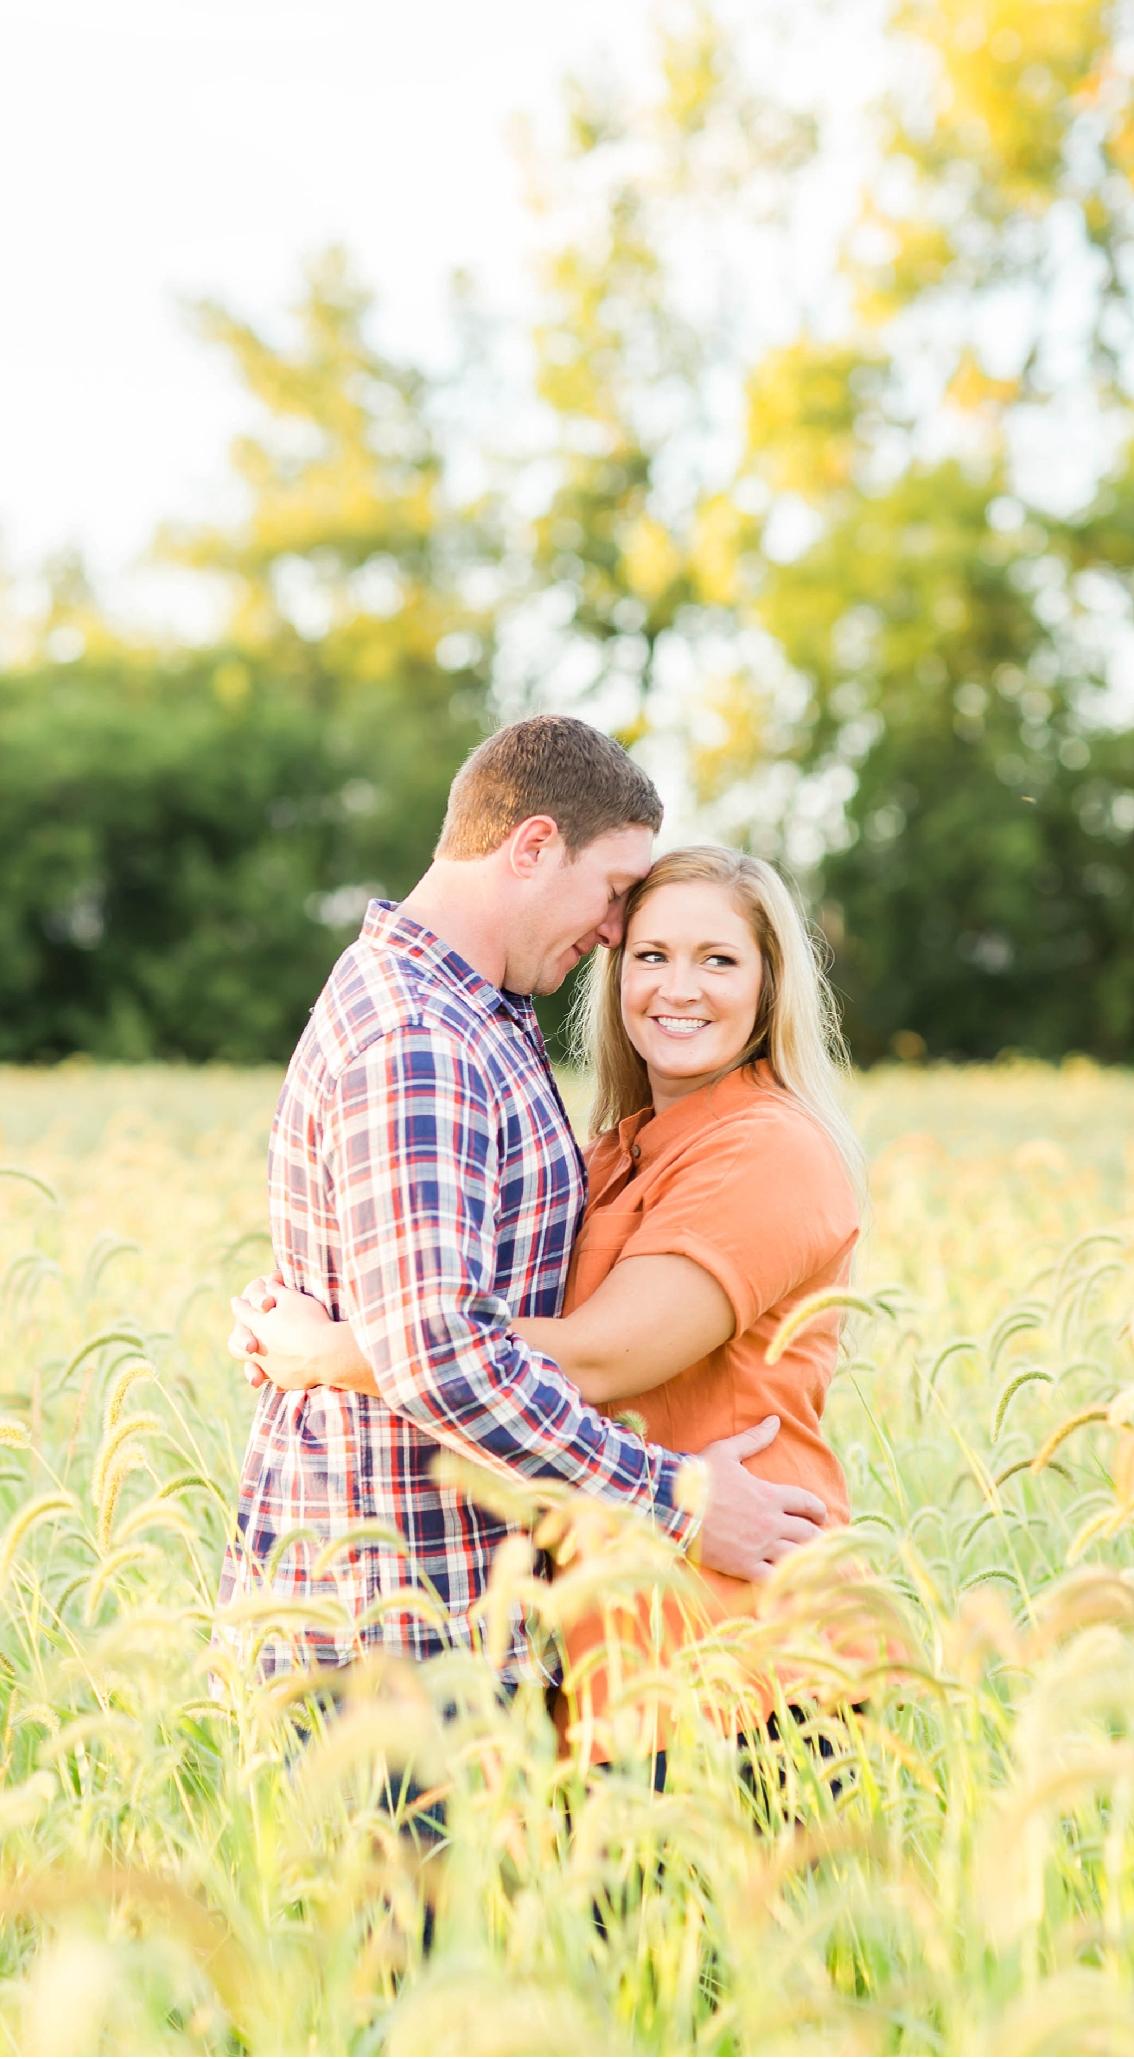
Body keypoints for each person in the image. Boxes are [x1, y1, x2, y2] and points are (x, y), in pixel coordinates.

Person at [216, 720, 831, 1704]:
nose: (615, 930)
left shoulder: (477, 1018)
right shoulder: (421, 1039)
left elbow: (443, 1337)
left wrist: (336, 1351)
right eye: (619, 893)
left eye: (716, 959)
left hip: (473, 1611)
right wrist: (674, 1499)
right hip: (398, 1617)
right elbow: (439, 1351)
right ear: (534, 845)